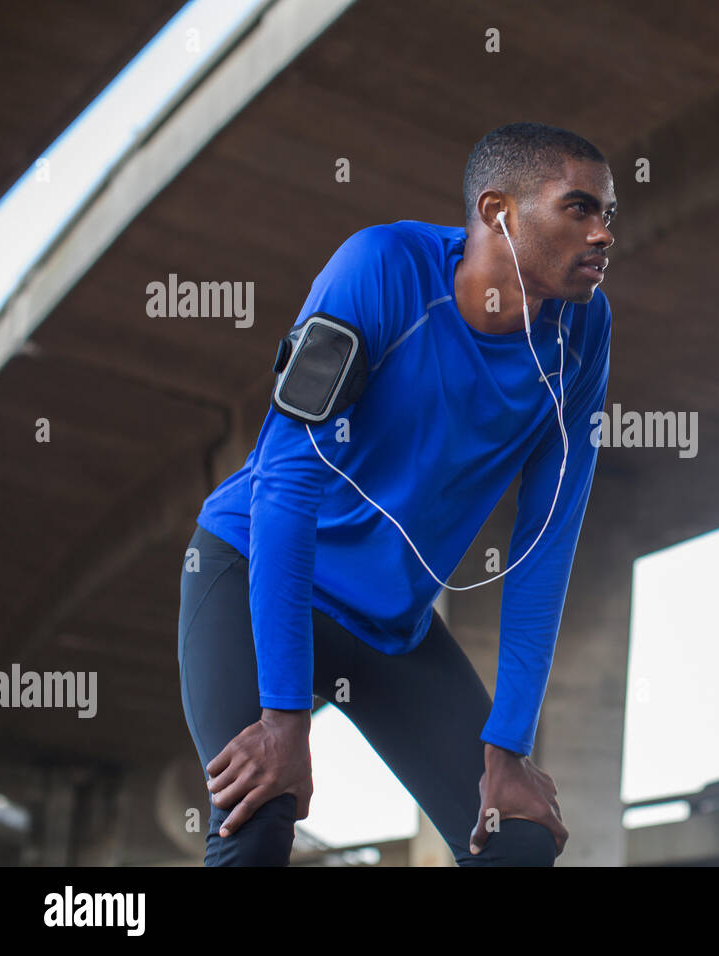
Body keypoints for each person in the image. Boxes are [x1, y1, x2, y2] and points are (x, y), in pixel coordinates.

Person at [177, 121, 615, 866]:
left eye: (610, 215)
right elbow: (287, 482)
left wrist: (507, 748)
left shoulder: (585, 332)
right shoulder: (379, 268)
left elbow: (547, 542)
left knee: (518, 843)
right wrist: (285, 721)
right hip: (257, 566)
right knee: (258, 819)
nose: (603, 234)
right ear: (497, 211)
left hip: (388, 622)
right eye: (579, 208)